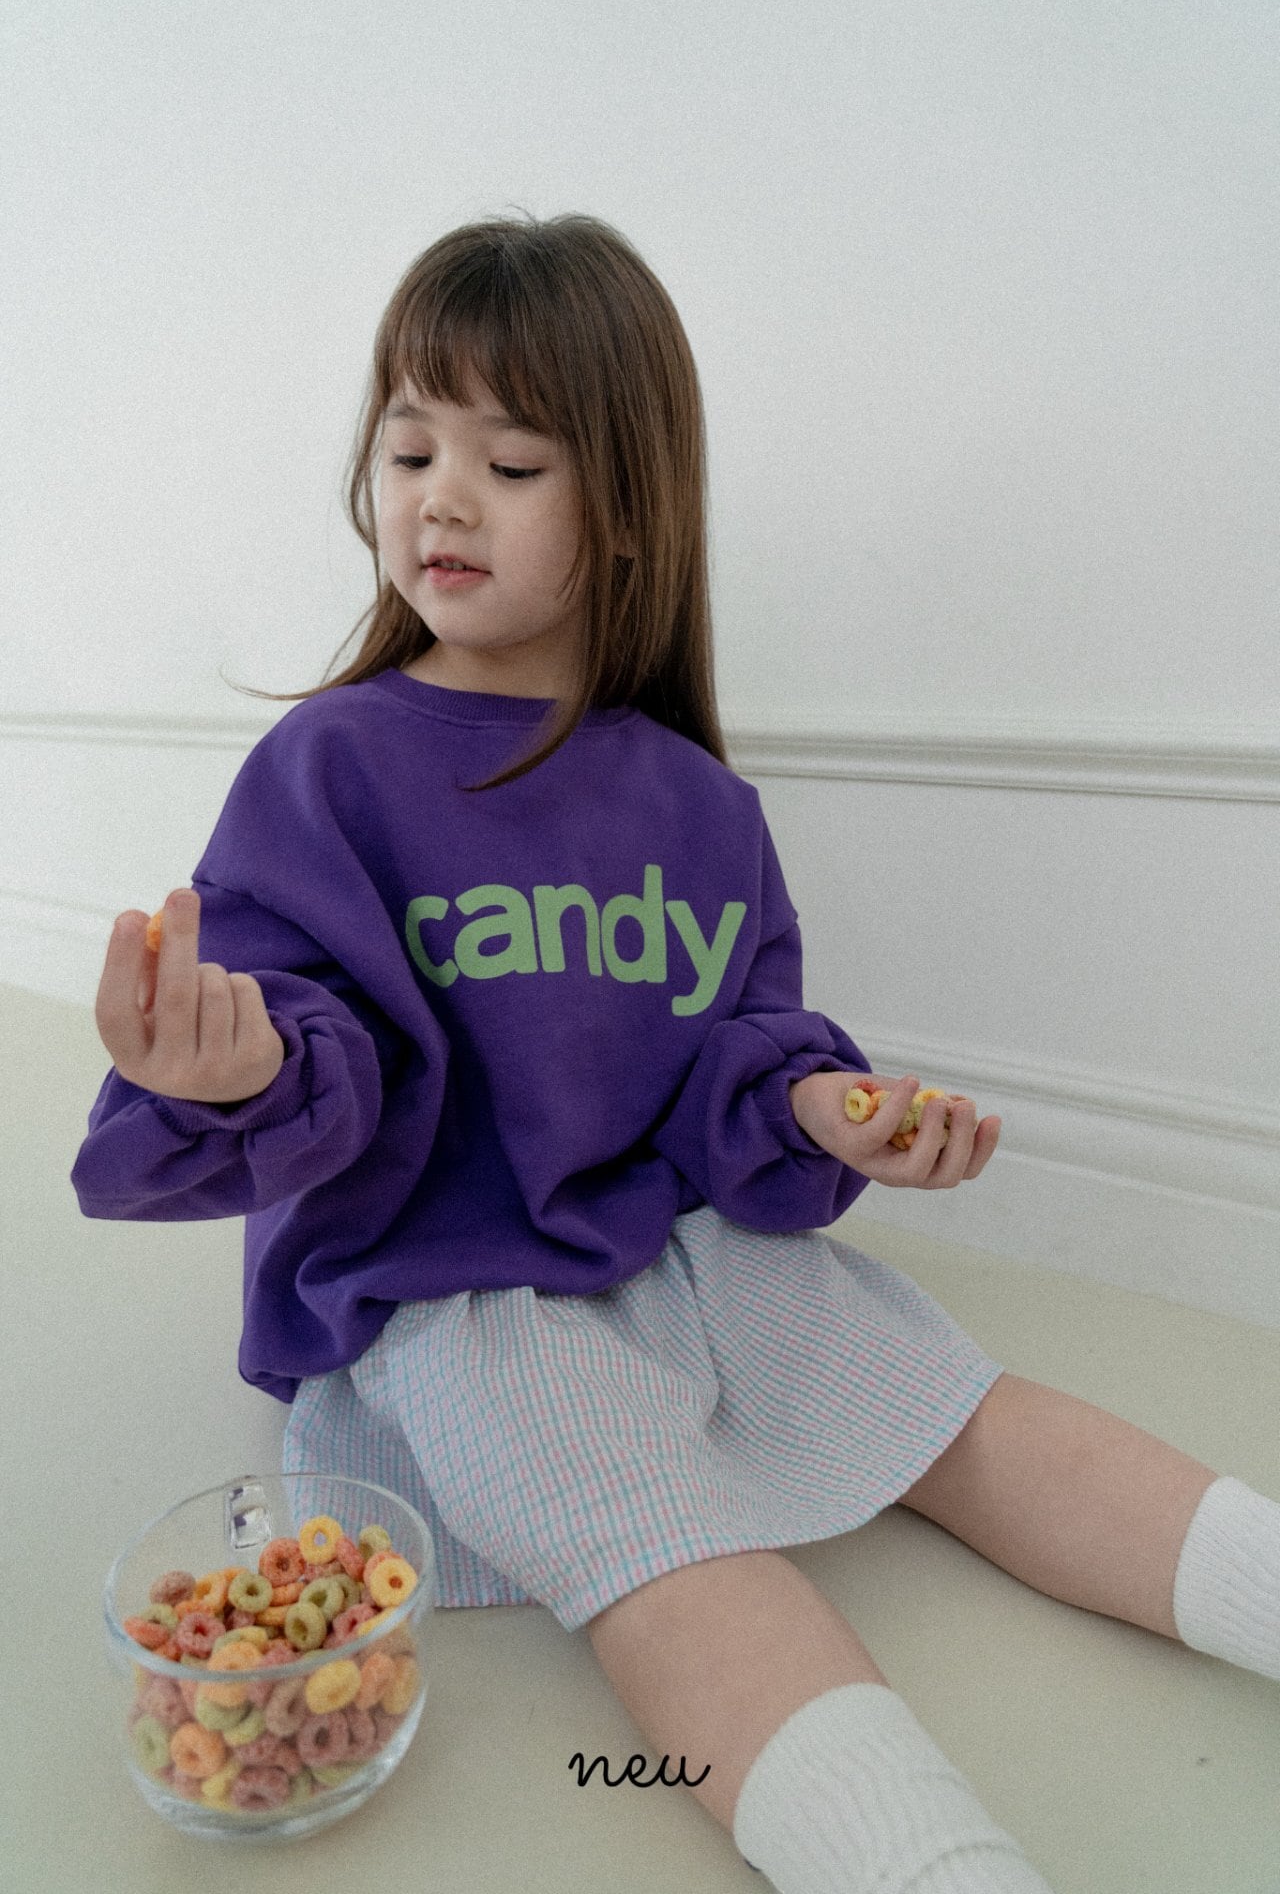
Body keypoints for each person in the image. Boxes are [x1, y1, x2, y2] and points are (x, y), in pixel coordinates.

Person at [72, 211, 1280, 1893]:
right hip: (460, 1289)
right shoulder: (330, 767)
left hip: (685, 1247)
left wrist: (823, 1109)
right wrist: (230, 1068)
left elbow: (739, 1058)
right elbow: (306, 1029)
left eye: (510, 463)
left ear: (629, 511)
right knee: (659, 1536)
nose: (440, 497)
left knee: (944, 1400)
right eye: (411, 450)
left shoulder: (702, 806)